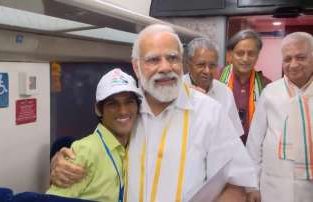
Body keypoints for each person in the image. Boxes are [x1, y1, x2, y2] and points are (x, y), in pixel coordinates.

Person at [50, 24, 257, 202]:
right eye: (153, 60)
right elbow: (94, 149)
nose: (165, 67)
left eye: (172, 58)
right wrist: (62, 159)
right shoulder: (127, 112)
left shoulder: (209, 112)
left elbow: (237, 185)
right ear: (137, 67)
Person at [46, 68, 142, 201]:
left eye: (129, 102)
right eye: (113, 104)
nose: (123, 111)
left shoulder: (138, 144)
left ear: (138, 107)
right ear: (99, 110)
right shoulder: (84, 151)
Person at [246, 32, 313, 202]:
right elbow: (254, 142)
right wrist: (252, 185)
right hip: (274, 186)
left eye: (301, 57)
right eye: (287, 59)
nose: (293, 64)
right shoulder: (270, 92)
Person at [183, 38, 243, 136]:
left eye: (212, 66)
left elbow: (234, 135)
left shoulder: (225, 93)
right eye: (201, 65)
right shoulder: (177, 91)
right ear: (188, 65)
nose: (207, 71)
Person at [220, 29, 271, 144]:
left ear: (258, 56)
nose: (245, 59)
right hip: (220, 149)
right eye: (240, 53)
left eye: (251, 53)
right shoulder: (215, 79)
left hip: (253, 152)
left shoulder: (267, 86)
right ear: (230, 55)